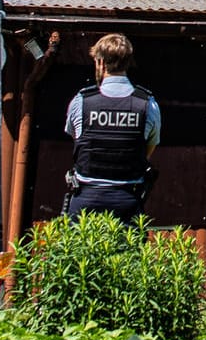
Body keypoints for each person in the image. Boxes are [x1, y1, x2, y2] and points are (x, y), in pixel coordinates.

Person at [64, 33, 161, 220]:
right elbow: (147, 150)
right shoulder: (147, 104)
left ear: (100, 63)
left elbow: (78, 142)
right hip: (127, 201)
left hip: (85, 199)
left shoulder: (82, 101)